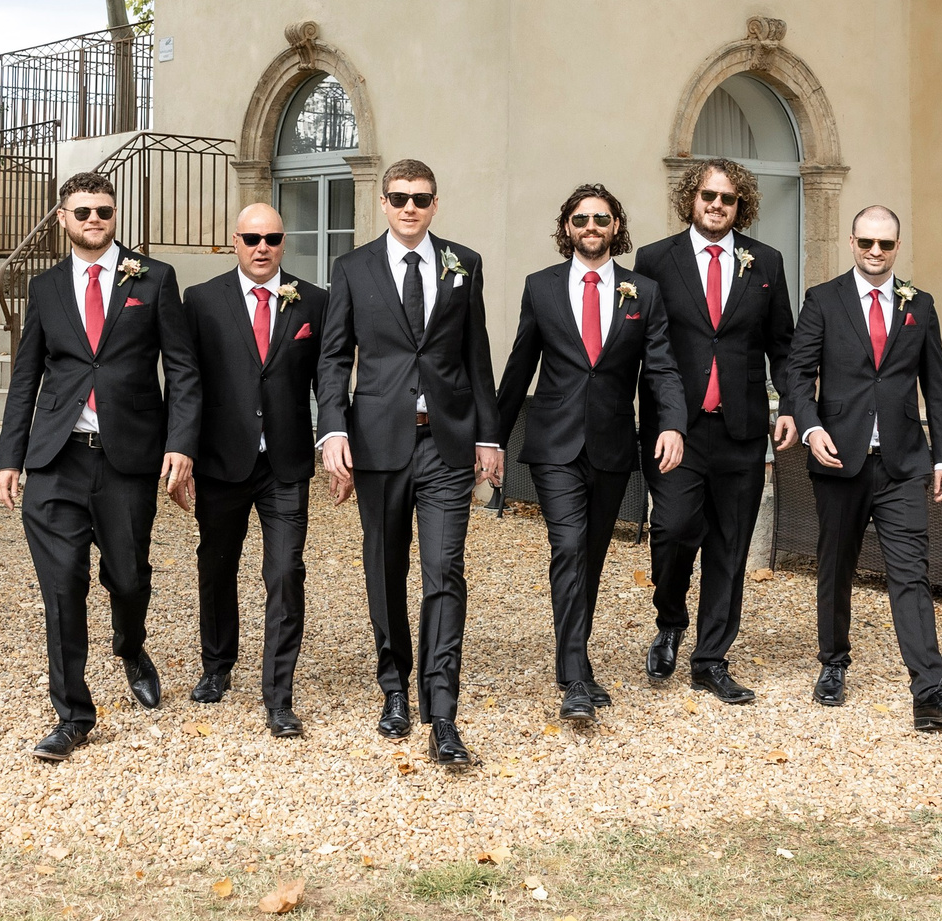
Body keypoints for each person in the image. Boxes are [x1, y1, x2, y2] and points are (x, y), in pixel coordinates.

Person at [0, 172, 201, 762]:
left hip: (128, 458)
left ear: (115, 215)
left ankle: (130, 645)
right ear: (63, 217)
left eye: (103, 211)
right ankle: (74, 715)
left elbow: (182, 370)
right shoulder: (45, 287)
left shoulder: (154, 279)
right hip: (56, 458)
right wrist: (10, 457)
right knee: (62, 587)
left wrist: (180, 444)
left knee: (129, 575)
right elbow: (26, 376)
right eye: (82, 211)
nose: (93, 220)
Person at [315, 158, 501, 769]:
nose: (409, 207)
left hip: (447, 442)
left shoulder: (463, 263)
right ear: (384, 203)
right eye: (398, 198)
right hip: (378, 442)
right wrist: (333, 429)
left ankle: (441, 710)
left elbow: (477, 353)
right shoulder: (353, 268)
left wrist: (490, 437)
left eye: (420, 198)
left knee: (445, 569)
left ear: (435, 203)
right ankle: (394, 686)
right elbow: (334, 356)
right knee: (386, 567)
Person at [782, 204, 942, 732]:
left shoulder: (920, 304)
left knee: (911, 574)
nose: (876, 252)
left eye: (886, 245)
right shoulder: (823, 301)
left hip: (901, 465)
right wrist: (809, 427)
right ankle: (833, 662)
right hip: (839, 459)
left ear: (897, 247)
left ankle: (930, 693)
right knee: (835, 567)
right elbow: (798, 375)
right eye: (867, 243)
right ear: (852, 243)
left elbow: (936, 387)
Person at [495, 183, 687, 722]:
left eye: (601, 219)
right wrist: (490, 440)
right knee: (569, 547)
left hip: (611, 446)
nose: (591, 227)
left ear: (615, 228)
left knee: (592, 558)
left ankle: (567, 659)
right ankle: (577, 678)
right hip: (555, 444)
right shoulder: (541, 288)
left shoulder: (641, 293)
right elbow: (518, 370)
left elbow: (663, 367)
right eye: (581, 219)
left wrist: (672, 425)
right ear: (567, 228)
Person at [631, 157, 796, 704]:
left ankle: (711, 660)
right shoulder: (655, 260)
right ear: (691, 199)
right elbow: (644, 349)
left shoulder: (765, 262)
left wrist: (791, 405)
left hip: (743, 428)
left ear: (739, 205)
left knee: (730, 544)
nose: (716, 205)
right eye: (708, 196)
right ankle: (671, 618)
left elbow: (783, 347)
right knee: (674, 529)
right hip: (675, 429)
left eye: (727, 199)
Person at [178, 202, 328, 738]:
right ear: (235, 242)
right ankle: (217, 666)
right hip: (222, 460)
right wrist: (183, 451)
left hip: (286, 462)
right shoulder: (200, 301)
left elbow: (326, 381)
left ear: (283, 242)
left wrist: (333, 438)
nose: (261, 247)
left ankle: (279, 696)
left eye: (271, 237)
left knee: (286, 573)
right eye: (251, 238)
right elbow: (185, 382)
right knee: (216, 565)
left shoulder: (314, 300)